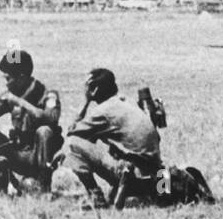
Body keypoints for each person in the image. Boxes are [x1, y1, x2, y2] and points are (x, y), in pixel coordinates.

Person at [0, 49, 62, 193]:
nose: (6, 84)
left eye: (8, 79)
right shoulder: (10, 95)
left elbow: (51, 118)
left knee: (45, 131)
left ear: (22, 78)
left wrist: (19, 102)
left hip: (36, 156)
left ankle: (43, 182)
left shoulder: (47, 94)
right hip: (17, 153)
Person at [64, 68, 161, 208]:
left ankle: (96, 197)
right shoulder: (127, 101)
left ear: (94, 89)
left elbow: (72, 132)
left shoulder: (103, 111)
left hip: (133, 175)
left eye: (86, 87)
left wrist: (85, 102)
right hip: (155, 173)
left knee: (71, 144)